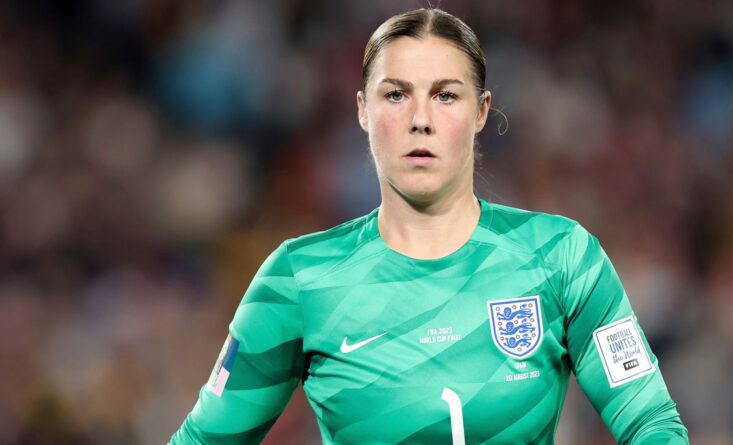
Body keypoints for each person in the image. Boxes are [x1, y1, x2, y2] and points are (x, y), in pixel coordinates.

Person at [170, 8, 689, 445]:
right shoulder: (299, 278)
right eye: (396, 95)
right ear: (363, 111)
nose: (421, 118)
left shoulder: (561, 257)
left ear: (481, 111)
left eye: (446, 95)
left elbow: (651, 423)